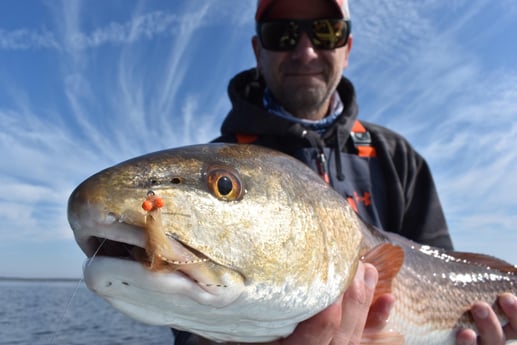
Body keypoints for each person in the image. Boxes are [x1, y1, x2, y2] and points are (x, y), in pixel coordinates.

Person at [174, 0, 517, 344]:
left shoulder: (397, 156)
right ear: (257, 50)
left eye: (326, 32)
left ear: (347, 47)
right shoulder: (212, 170)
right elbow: (182, 314)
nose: (305, 51)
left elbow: (441, 267)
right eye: (282, 34)